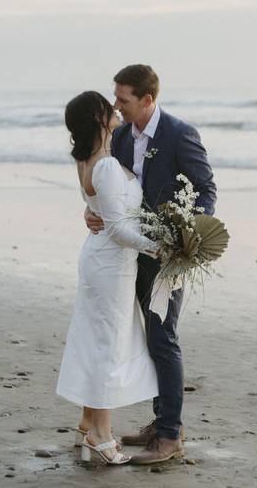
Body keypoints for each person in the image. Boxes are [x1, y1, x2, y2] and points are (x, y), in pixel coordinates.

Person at [84, 64, 216, 465]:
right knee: (143, 338)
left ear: (147, 100)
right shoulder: (121, 136)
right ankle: (160, 422)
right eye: (116, 99)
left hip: (167, 257)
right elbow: (111, 192)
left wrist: (185, 236)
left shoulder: (180, 133)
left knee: (163, 338)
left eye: (123, 99)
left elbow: (205, 189)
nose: (116, 106)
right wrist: (93, 215)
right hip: (129, 253)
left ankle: (170, 436)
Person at [56, 90, 160, 465]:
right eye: (108, 107)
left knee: (98, 339)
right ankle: (100, 434)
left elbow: (97, 206)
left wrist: (90, 210)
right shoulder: (105, 165)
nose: (115, 109)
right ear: (98, 120)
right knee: (108, 345)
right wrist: (161, 247)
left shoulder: (87, 160)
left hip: (100, 259)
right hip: (111, 263)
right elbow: (118, 229)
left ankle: (88, 422)